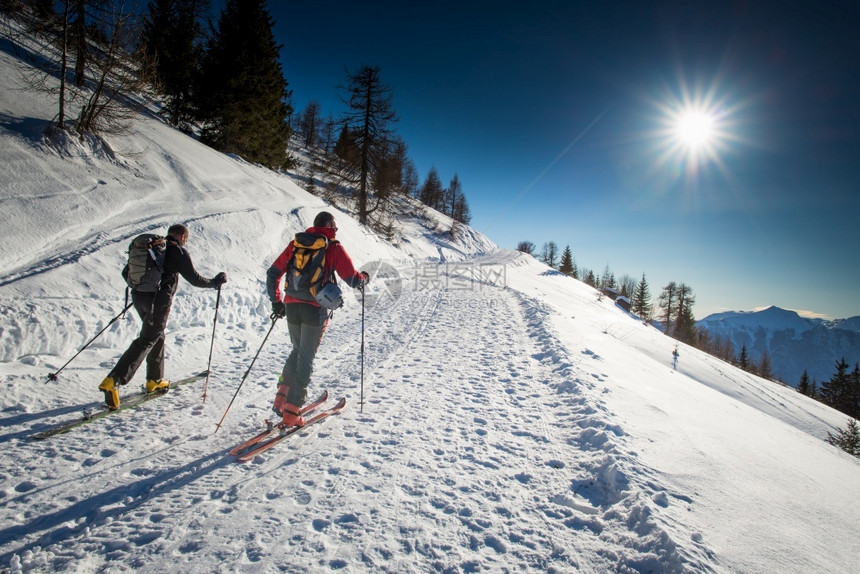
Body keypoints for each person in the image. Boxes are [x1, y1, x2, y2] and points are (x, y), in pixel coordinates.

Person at [99, 224, 226, 409]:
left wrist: (141, 289)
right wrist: (215, 282)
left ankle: (154, 379)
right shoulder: (176, 251)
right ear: (183, 236)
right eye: (186, 239)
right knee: (148, 338)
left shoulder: (153, 249)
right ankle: (114, 380)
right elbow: (194, 278)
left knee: (157, 334)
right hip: (157, 301)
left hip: (139, 296)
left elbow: (125, 272)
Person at [267, 211, 368, 427]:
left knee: (296, 352)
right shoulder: (333, 246)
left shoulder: (296, 244)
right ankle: (292, 413)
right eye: (335, 227)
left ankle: (281, 398)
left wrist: (277, 302)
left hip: (291, 305)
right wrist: (364, 278)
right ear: (331, 227)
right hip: (315, 310)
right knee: (306, 358)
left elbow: (272, 273)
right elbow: (352, 279)